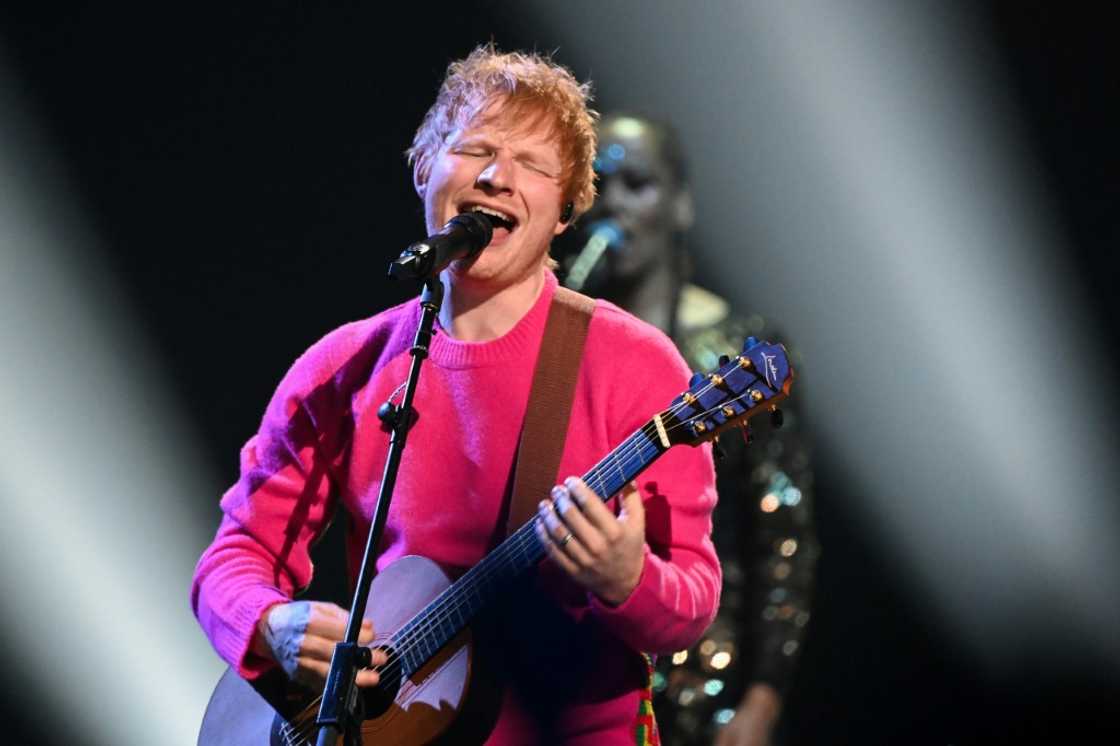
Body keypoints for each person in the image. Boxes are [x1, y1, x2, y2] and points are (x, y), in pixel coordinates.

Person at [191, 47, 722, 744]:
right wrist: (271, 625)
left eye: (533, 165)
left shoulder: (634, 365)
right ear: (424, 170)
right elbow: (236, 555)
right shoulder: (345, 367)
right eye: (475, 150)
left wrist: (628, 578)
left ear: (564, 211)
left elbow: (694, 600)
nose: (499, 178)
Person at [556, 114, 818, 746]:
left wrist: (760, 703)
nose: (614, 202)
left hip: (703, 682)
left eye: (637, 183)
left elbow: (782, 538)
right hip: (576, 675)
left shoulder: (738, 349)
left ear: (680, 203)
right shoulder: (564, 337)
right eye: (601, 184)